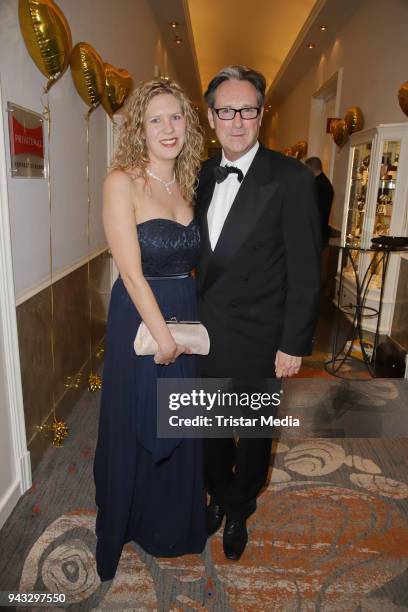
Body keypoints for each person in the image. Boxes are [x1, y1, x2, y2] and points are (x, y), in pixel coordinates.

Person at [195, 66, 322, 561]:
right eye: (226, 111)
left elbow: (307, 271)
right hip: (205, 333)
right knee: (207, 428)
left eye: (247, 109)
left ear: (261, 114)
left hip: (260, 335)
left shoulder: (289, 178)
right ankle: (215, 492)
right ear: (210, 118)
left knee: (252, 434)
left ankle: (240, 506)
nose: (237, 121)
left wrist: (293, 343)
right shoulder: (202, 173)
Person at [93, 79, 206, 582]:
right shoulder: (122, 181)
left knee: (179, 417)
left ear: (189, 124)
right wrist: (163, 336)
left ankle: (172, 520)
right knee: (142, 416)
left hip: (184, 306)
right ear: (139, 127)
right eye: (156, 118)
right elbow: (131, 273)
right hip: (141, 315)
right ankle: (129, 517)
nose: (168, 128)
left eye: (176, 117)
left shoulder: (187, 181)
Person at [305, 156, 334, 247]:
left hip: (314, 231)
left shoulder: (317, 184)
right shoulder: (325, 182)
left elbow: (310, 208)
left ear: (310, 168)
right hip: (320, 230)